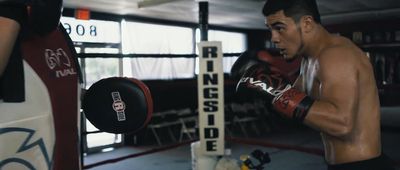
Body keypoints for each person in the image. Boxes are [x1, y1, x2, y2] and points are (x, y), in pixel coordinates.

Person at [231, 0, 396, 169]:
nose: (273, 38)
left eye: (279, 28)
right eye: (270, 29)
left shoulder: (336, 56)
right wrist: (269, 86)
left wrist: (275, 90)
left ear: (307, 23)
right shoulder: (308, 60)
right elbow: (296, 107)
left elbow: (342, 124)